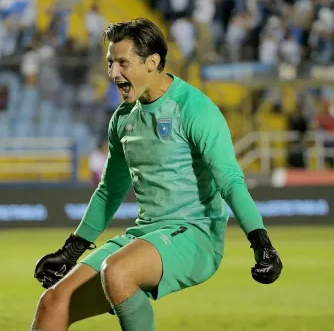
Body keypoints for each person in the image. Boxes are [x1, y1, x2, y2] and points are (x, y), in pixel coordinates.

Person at [31, 18, 283, 331]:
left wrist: (262, 244)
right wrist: (70, 252)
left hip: (195, 236)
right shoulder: (123, 120)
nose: (113, 74)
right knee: (54, 302)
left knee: (118, 270)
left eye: (122, 63)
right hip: (146, 235)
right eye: (111, 64)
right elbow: (109, 191)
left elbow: (230, 181)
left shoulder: (194, 108)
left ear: (152, 62)